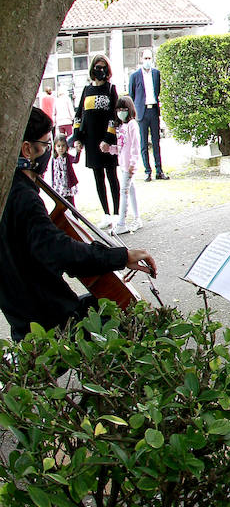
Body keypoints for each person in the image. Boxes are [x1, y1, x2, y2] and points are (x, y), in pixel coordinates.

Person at [0, 107, 157, 342]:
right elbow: (61, 251)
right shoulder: (24, 198)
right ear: (26, 149)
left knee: (101, 303)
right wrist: (120, 257)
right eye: (45, 145)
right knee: (130, 315)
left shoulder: (8, 190)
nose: (49, 152)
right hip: (50, 323)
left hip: (23, 316)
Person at [71, 55, 121, 226]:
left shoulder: (111, 89)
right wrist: (77, 137)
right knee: (98, 178)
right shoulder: (86, 90)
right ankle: (106, 214)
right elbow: (78, 115)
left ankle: (117, 214)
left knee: (112, 177)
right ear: (92, 69)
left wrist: (108, 139)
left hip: (107, 142)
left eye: (104, 67)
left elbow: (115, 116)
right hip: (91, 142)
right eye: (97, 67)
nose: (101, 71)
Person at [127, 48, 168, 181]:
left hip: (153, 110)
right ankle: (147, 171)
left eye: (149, 58)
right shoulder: (134, 76)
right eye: (145, 58)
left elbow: (158, 91)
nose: (147, 61)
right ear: (141, 59)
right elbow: (132, 94)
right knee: (144, 143)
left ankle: (159, 170)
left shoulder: (156, 74)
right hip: (142, 112)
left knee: (156, 142)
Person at [110, 96, 141, 235]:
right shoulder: (121, 126)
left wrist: (133, 164)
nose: (121, 112)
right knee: (130, 190)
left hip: (129, 165)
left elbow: (135, 146)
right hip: (123, 164)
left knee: (124, 191)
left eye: (124, 109)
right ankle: (137, 218)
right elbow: (121, 147)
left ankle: (122, 222)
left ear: (130, 110)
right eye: (119, 109)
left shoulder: (132, 125)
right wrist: (109, 149)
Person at [47, 134, 78, 203]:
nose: (61, 148)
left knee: (71, 202)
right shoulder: (54, 159)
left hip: (67, 185)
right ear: (55, 147)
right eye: (58, 146)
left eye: (63, 146)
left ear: (66, 146)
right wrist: (53, 184)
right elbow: (53, 172)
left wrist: (78, 152)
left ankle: (74, 213)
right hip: (58, 185)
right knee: (60, 202)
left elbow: (75, 160)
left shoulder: (67, 157)